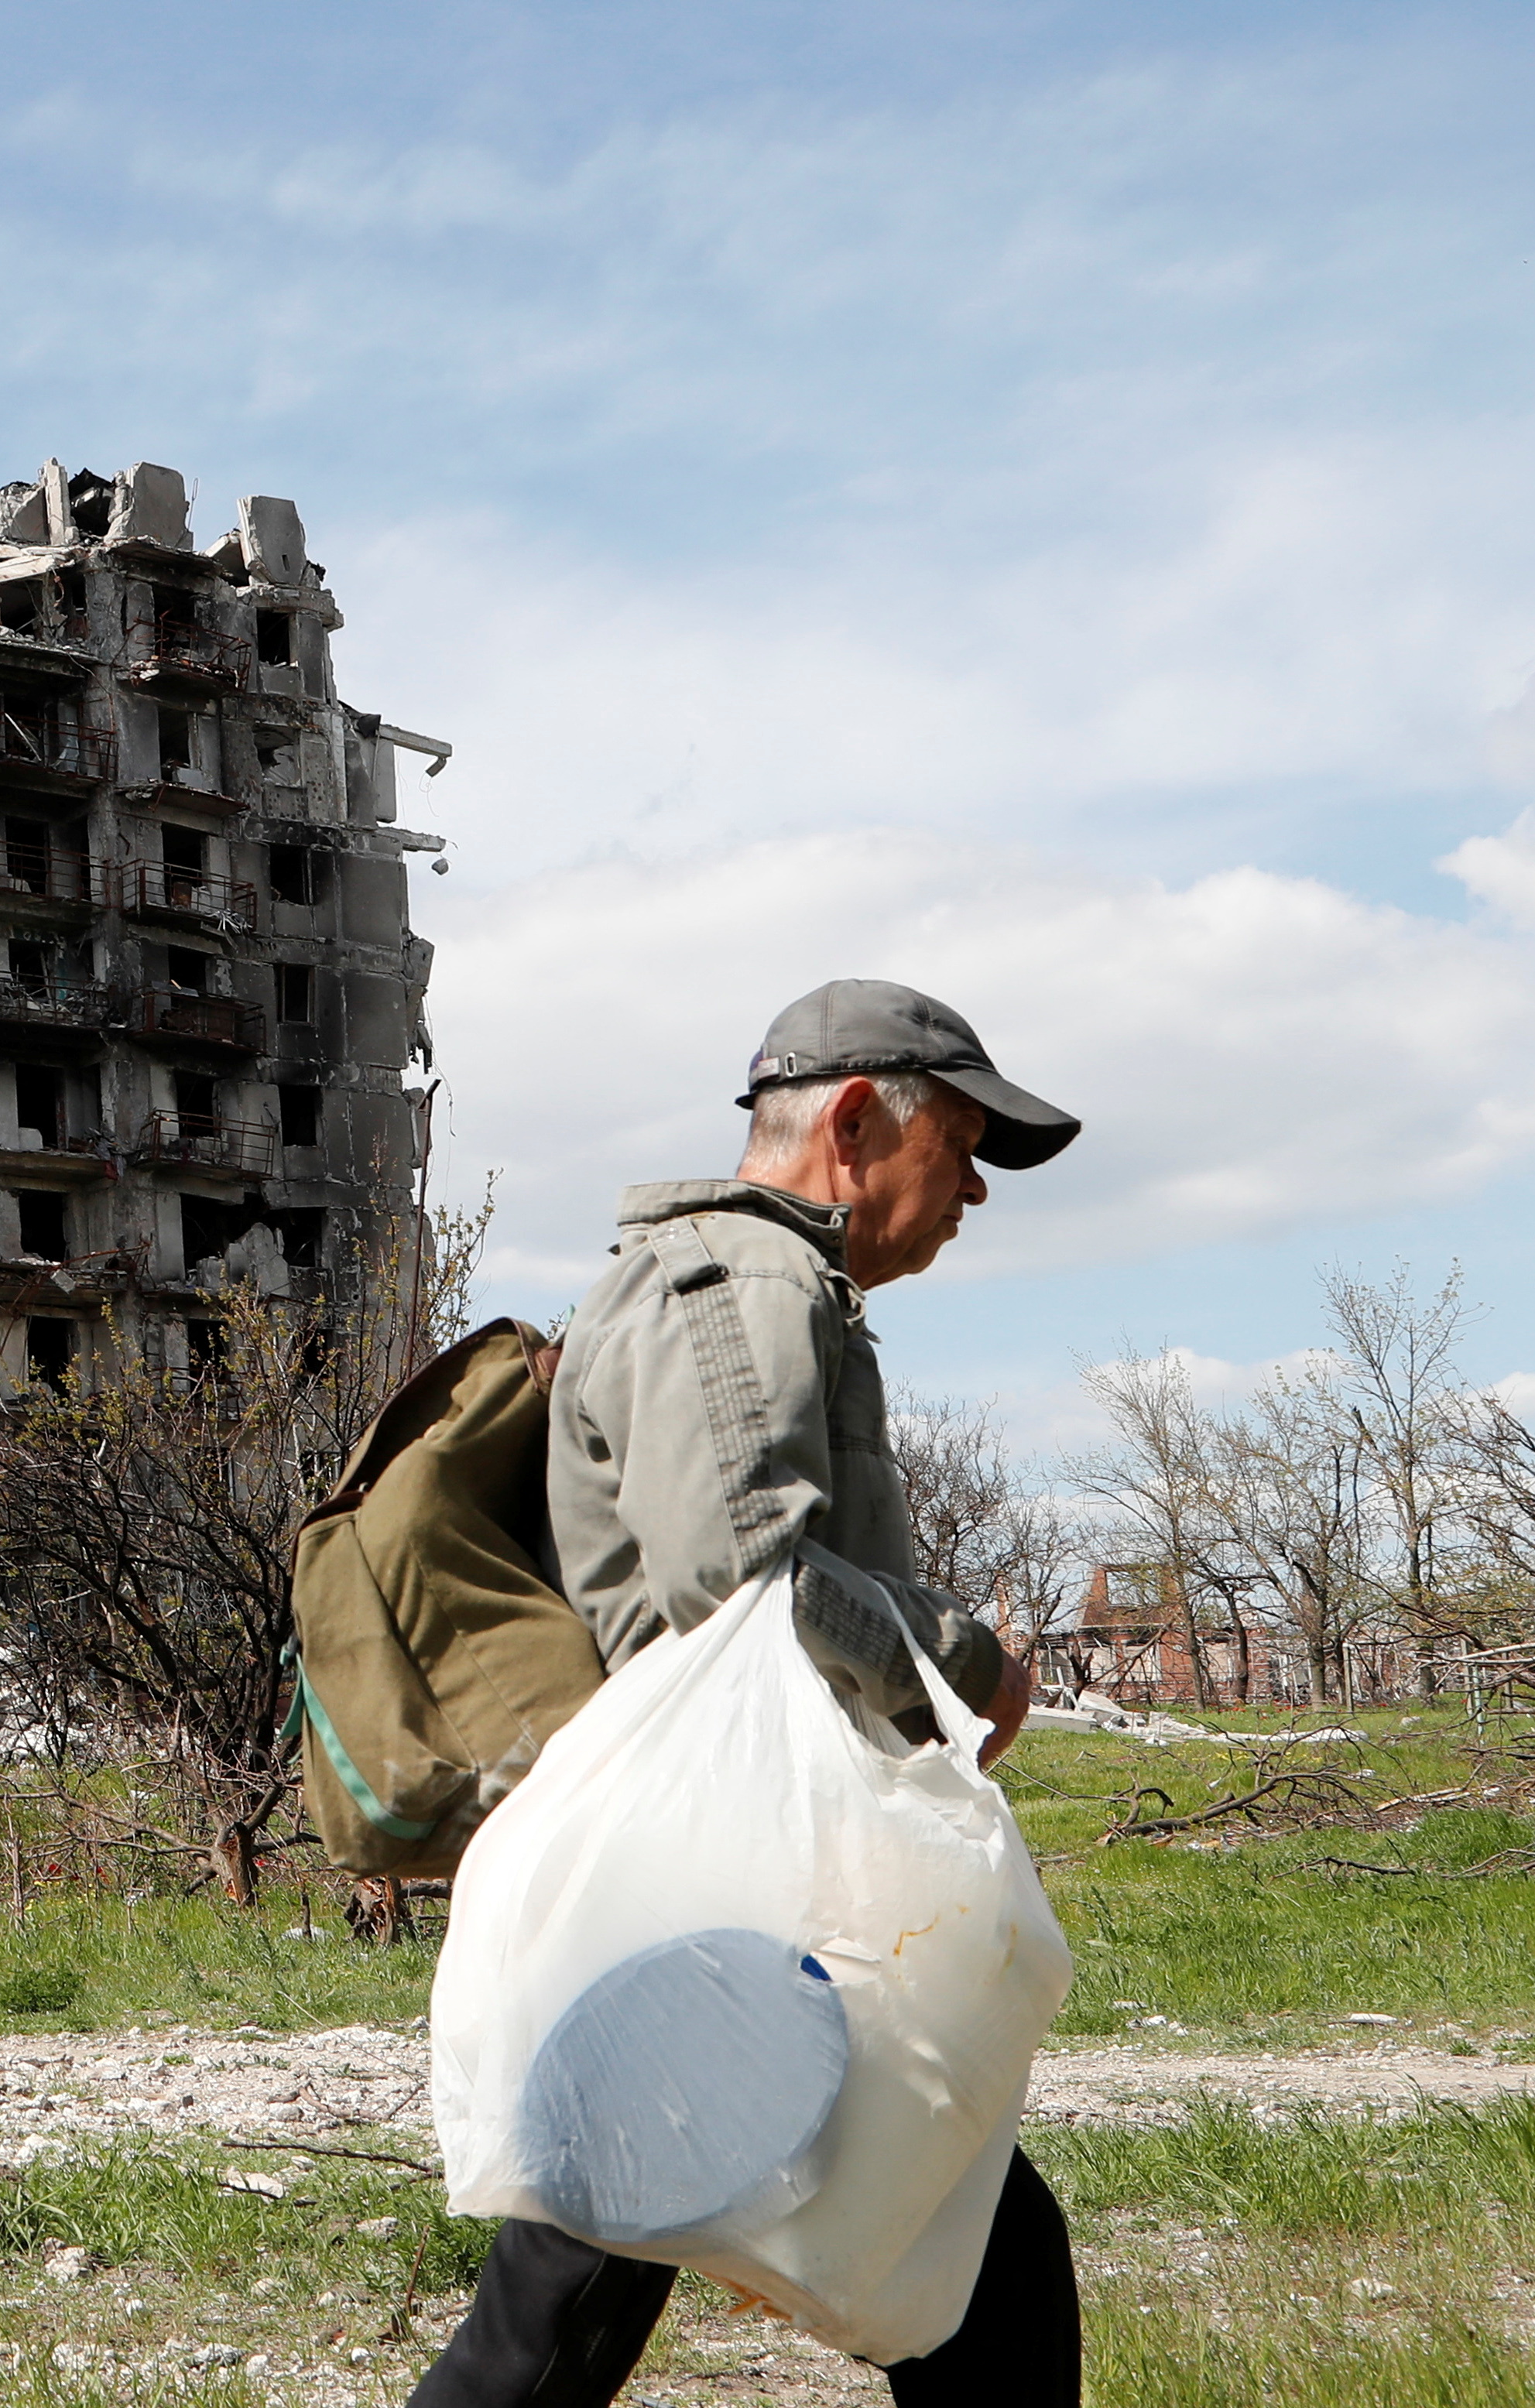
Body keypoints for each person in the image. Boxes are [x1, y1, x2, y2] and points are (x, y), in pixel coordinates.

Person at [408, 978, 1083, 2408]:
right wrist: (971, 1666)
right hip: (708, 1893)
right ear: (855, 1120)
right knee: (567, 2315)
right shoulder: (741, 1277)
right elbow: (749, 1578)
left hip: (725, 1891)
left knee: (965, 2275)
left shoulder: (772, 1283)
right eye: (959, 1143)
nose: (973, 1186)